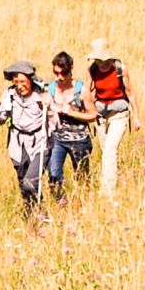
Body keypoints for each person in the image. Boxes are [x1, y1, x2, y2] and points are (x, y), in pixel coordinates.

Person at [0, 62, 50, 213]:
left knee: (31, 181)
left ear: (30, 80)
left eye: (23, 82)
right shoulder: (9, 95)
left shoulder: (41, 94)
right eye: (16, 82)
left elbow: (55, 119)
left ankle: (40, 211)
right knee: (23, 182)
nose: (19, 86)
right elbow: (0, 120)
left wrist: (49, 104)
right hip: (17, 144)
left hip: (39, 143)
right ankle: (31, 212)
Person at [86, 38, 138, 198]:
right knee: (105, 151)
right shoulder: (92, 69)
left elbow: (130, 92)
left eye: (101, 59)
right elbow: (87, 91)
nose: (100, 63)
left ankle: (108, 190)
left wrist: (136, 116)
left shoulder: (120, 68)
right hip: (100, 116)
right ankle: (111, 178)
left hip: (119, 114)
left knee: (110, 149)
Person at [44, 51, 97, 199]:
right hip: (57, 139)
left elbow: (93, 115)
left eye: (63, 73)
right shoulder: (51, 89)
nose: (60, 77)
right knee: (53, 173)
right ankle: (60, 202)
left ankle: (84, 202)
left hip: (79, 140)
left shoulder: (81, 90)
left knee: (81, 175)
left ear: (71, 69)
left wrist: (72, 112)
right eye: (56, 73)